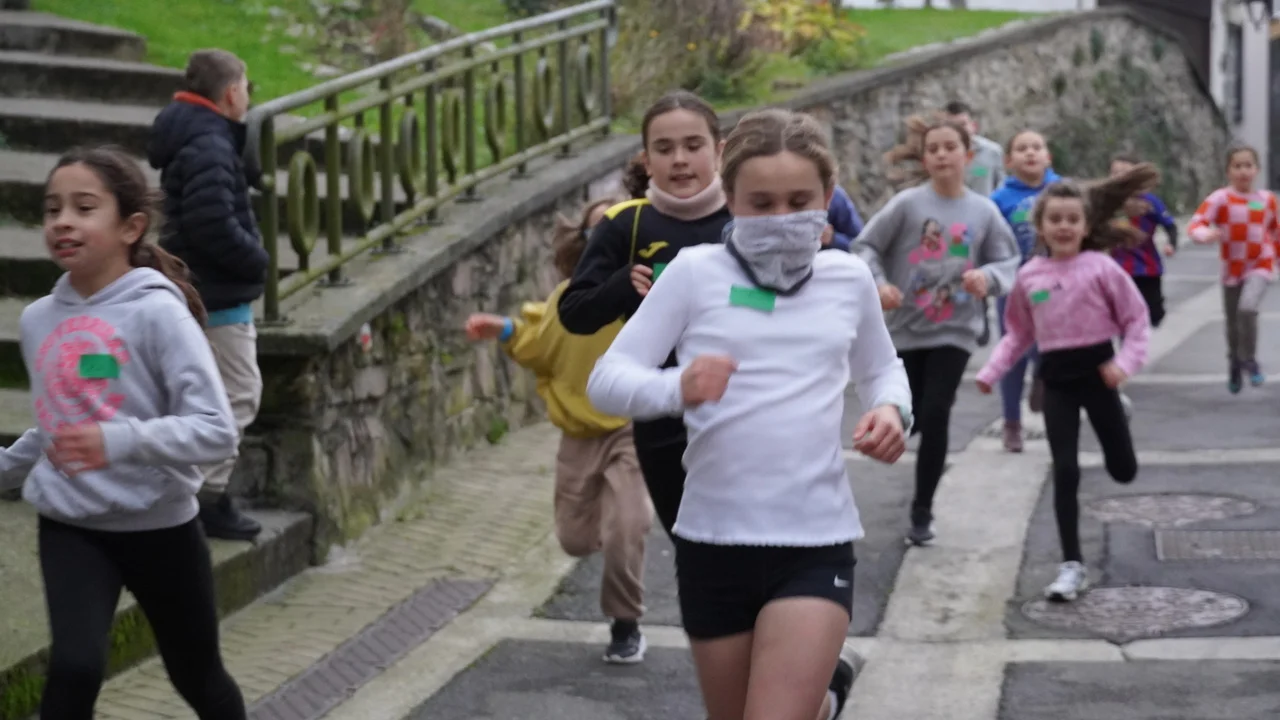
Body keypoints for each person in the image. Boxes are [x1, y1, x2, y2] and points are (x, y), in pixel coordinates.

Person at [587, 107, 909, 720]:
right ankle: (823, 702)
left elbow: (881, 369)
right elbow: (607, 381)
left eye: (799, 201)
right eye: (761, 203)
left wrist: (892, 410)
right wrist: (678, 387)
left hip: (814, 541)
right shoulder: (694, 273)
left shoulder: (848, 279)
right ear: (729, 198)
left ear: (828, 197)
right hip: (713, 542)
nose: (781, 217)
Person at [1, 146, 246, 719]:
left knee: (199, 677)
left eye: (84, 208)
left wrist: (117, 441)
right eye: (52, 209)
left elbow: (216, 430)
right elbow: (55, 429)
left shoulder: (158, 313)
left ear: (130, 227)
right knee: (75, 668)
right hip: (72, 526)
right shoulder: (38, 320)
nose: (63, 221)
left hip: (160, 528)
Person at [463, 199, 653, 664]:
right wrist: (505, 329)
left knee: (627, 527)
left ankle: (625, 623)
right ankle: (615, 536)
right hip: (578, 434)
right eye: (598, 231)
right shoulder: (569, 300)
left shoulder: (652, 295)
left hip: (631, 429)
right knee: (573, 539)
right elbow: (540, 347)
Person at [976, 166, 1157, 601]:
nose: (1063, 226)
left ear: (1086, 226)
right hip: (1056, 380)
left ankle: (1120, 413)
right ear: (1040, 226)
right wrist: (991, 371)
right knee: (1065, 470)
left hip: (1100, 375)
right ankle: (1071, 565)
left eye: (1072, 219)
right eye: (1054, 219)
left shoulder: (1101, 268)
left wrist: (1124, 364)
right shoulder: (1030, 276)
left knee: (1124, 471)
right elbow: (1018, 332)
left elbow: (1136, 320)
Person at [558, 91, 731, 539]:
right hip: (662, 421)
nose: (680, 159)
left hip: (743, 411)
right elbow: (574, 314)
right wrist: (619, 286)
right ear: (646, 160)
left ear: (719, 150)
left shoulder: (747, 216)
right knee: (692, 547)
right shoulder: (625, 225)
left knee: (753, 548)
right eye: (664, 148)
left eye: (693, 145)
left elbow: (784, 301)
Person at [855, 116, 1020, 547]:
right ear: (924, 158)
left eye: (950, 147)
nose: (942, 155)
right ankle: (899, 432)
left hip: (956, 329)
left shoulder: (983, 211)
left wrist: (987, 278)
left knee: (937, 411)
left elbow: (1008, 261)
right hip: (906, 328)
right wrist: (879, 284)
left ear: (969, 156)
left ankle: (922, 511)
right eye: (933, 149)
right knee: (912, 411)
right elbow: (866, 246)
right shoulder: (907, 205)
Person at [147, 48, 268, 541]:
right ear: (232, 92)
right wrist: (256, 259)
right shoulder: (210, 145)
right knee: (238, 395)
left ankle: (194, 495)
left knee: (206, 397)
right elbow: (211, 220)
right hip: (216, 293)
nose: (249, 97)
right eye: (246, 87)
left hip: (200, 287)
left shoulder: (193, 135)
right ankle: (204, 498)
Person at [988, 129, 1061, 452]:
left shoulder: (1063, 190)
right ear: (1008, 160)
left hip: (1056, 288)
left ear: (1048, 157)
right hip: (1014, 290)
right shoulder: (999, 200)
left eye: (1036, 147)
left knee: (1051, 347)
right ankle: (1011, 423)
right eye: (1022, 148)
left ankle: (1043, 380)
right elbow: (987, 241)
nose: (1030, 153)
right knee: (1013, 353)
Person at [1187, 145, 1278, 393]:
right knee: (1233, 323)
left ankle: (1250, 360)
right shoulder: (1220, 198)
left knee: (1247, 308)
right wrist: (1205, 234)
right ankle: (1235, 363)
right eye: (1237, 166)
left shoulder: (1267, 200)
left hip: (1260, 263)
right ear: (1228, 171)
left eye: (1248, 165)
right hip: (1232, 269)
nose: (1243, 171)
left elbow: (1275, 231)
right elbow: (1196, 223)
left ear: (1257, 169)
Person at [1108, 152, 1180, 329]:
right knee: (1123, 315)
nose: (1120, 177)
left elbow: (1170, 225)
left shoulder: (1150, 202)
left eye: (1125, 173)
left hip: (1147, 266)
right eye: (1115, 173)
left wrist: (1171, 244)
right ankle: (1129, 338)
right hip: (1117, 267)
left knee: (1154, 315)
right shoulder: (1106, 202)